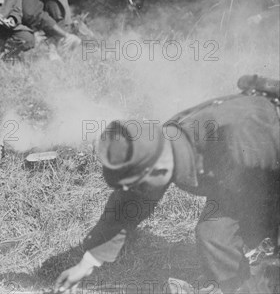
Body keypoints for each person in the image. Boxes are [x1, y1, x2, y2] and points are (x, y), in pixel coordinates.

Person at [55, 81, 280, 294]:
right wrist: (87, 262)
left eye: (138, 185)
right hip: (243, 184)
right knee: (214, 234)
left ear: (159, 171)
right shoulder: (160, 147)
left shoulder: (240, 138)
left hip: (269, 168)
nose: (137, 192)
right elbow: (129, 204)